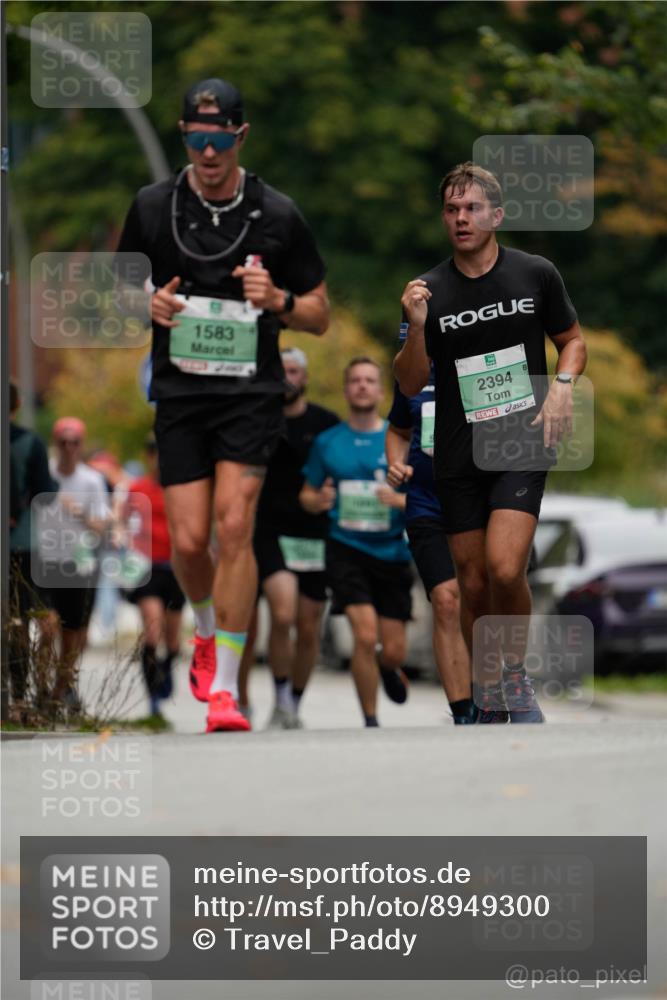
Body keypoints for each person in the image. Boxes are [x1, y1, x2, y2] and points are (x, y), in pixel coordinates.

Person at [115, 78, 329, 733]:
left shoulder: (278, 214)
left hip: (250, 395)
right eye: (196, 138)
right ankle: (206, 627)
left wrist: (279, 302)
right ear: (185, 136)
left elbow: (319, 313)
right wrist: (145, 303)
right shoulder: (153, 207)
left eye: (220, 139)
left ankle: (227, 691)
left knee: (234, 528)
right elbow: (117, 293)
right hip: (181, 394)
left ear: (240, 136)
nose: (208, 152)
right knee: (188, 542)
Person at [394, 162, 587, 723]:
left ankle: (515, 678)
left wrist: (562, 387)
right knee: (474, 584)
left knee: (505, 569)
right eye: (452, 210)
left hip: (521, 440)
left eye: (472, 208)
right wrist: (416, 325)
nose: (461, 219)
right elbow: (409, 382)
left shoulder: (535, 273)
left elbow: (572, 341)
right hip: (457, 452)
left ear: (496, 216)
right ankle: (488, 691)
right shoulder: (427, 290)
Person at [300, 357, 412, 727]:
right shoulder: (328, 442)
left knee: (393, 650)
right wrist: (317, 500)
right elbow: (307, 494)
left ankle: (388, 666)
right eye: (355, 381)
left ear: (381, 391)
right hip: (345, 549)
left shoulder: (399, 438)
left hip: (392, 551)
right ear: (347, 390)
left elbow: (427, 494)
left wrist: (400, 500)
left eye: (369, 380)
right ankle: (370, 720)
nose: (362, 386)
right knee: (364, 636)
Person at [247, 347, 340, 729]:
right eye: (281, 370)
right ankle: (281, 697)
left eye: (294, 370)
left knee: (308, 625)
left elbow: (341, 470)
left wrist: (329, 494)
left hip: (315, 532)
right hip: (270, 530)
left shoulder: (326, 423)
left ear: (305, 377)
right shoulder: (257, 421)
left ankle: (294, 704)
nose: (287, 377)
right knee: (282, 614)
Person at [385, 372, 477, 724]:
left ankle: (489, 691)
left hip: (475, 503)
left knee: (477, 595)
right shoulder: (414, 372)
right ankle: (462, 710)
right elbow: (397, 430)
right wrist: (396, 463)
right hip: (426, 505)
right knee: (445, 600)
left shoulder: (477, 360)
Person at [34, 417, 110, 713]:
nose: (68, 448)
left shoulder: (91, 480)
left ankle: (61, 689)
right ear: (55, 443)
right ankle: (40, 684)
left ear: (81, 445)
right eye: (63, 442)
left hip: (78, 563)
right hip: (44, 561)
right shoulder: (45, 473)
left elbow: (101, 527)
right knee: (48, 626)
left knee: (74, 633)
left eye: (74, 442)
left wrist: (76, 511)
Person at [123, 433, 185, 721]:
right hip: (146, 568)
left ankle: (167, 668)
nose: (160, 459)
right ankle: (152, 698)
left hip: (176, 569)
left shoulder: (181, 489)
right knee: (152, 630)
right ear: (149, 456)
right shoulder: (137, 489)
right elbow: (121, 524)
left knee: (173, 640)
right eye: (155, 452)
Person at [7, 380, 59, 718]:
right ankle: (23, 694)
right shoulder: (29, 443)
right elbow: (46, 494)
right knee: (26, 621)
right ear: (17, 404)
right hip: (24, 544)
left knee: (12, 621)